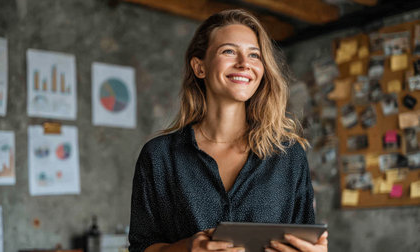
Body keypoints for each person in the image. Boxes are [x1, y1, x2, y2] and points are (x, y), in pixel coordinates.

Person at [129, 9, 328, 252]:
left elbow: (305, 240)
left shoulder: (288, 155)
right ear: (199, 67)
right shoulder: (159, 156)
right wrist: (186, 248)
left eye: (254, 55)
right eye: (229, 51)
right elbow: (141, 247)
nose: (244, 64)